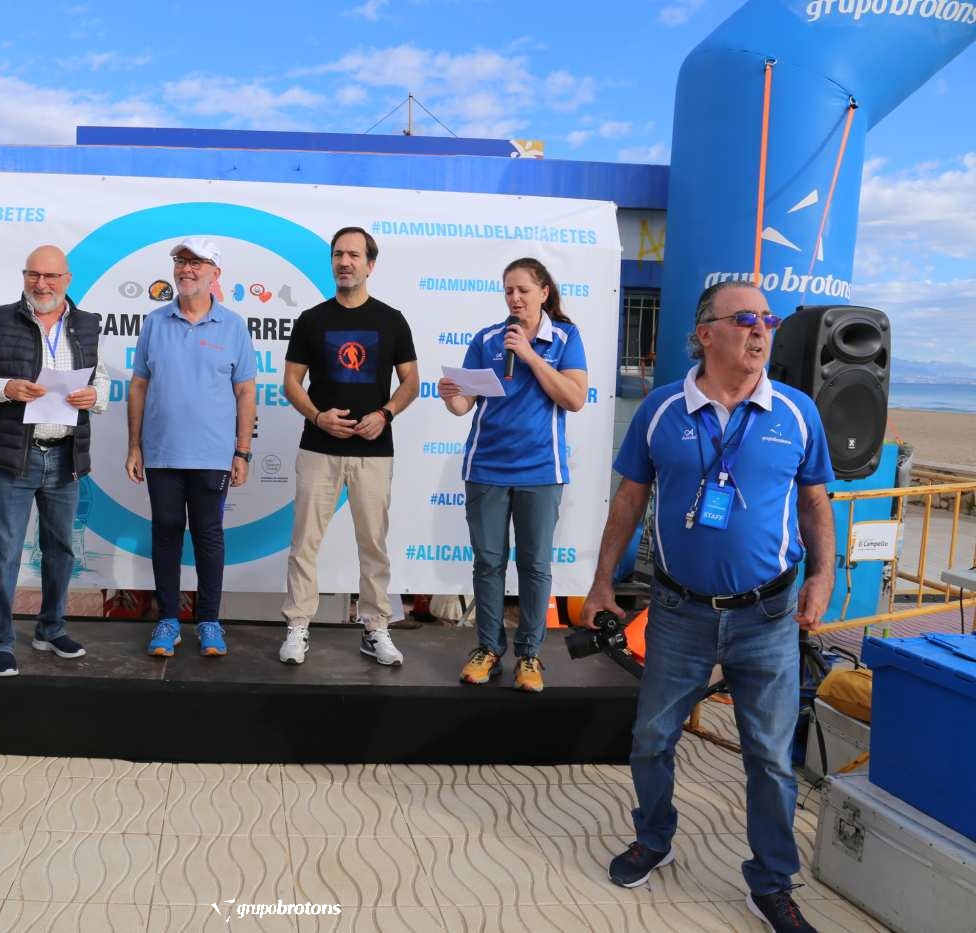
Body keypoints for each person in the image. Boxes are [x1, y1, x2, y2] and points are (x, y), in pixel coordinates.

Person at [581, 281, 835, 933]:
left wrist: (822, 575)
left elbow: (814, 502)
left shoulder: (797, 412)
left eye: (768, 319)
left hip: (769, 617)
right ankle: (654, 837)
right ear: (706, 333)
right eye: (745, 317)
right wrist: (601, 582)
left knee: (770, 757)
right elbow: (629, 499)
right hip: (679, 613)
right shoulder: (662, 409)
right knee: (651, 738)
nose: (760, 329)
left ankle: (771, 880)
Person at [437, 257, 588, 691]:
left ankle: (530, 654)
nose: (515, 298)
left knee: (535, 564)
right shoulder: (487, 339)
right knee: (488, 562)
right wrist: (451, 395)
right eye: (508, 291)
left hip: (541, 469)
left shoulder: (566, 337)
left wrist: (530, 356)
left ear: (544, 292)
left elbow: (575, 398)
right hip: (486, 467)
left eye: (523, 290)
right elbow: (464, 405)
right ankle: (488, 649)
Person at [0, 245, 109, 677]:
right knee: (4, 554)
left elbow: (100, 379)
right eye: (33, 275)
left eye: (50, 276)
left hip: (65, 456)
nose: (41, 284)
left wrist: (94, 395)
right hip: (16, 458)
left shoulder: (87, 325)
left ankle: (51, 629)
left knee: (61, 551)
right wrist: (6, 387)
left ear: (67, 280)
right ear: (24, 275)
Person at [277, 226, 418, 666]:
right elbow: (291, 382)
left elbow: (411, 382)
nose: (345, 262)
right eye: (339, 254)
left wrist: (385, 414)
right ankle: (298, 625)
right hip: (319, 449)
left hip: (374, 452)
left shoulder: (391, 320)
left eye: (354, 255)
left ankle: (375, 628)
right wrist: (318, 416)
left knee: (373, 544)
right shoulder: (312, 320)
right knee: (304, 542)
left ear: (370, 264)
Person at [125, 237, 256, 658]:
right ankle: (168, 620)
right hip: (162, 453)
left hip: (213, 455)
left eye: (196, 262)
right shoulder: (154, 322)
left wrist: (242, 452)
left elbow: (246, 391)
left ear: (215, 273)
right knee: (165, 533)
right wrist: (134, 446)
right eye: (181, 261)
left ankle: (209, 621)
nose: (186, 269)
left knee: (208, 535)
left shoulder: (233, 326)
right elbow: (139, 385)